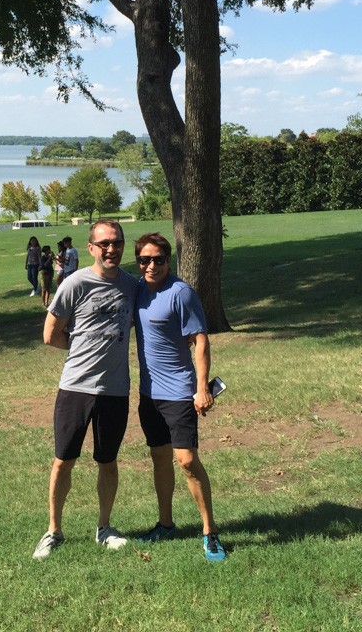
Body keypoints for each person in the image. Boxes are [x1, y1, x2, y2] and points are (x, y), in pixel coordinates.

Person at [33, 219, 138, 561]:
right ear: (91, 247)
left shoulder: (132, 286)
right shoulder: (74, 284)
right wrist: (83, 348)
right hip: (75, 387)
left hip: (115, 390)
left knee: (108, 462)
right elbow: (51, 335)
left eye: (117, 242)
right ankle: (53, 531)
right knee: (64, 461)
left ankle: (104, 528)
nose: (111, 248)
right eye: (104, 243)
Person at [132, 232, 226, 562]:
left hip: (179, 394)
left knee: (186, 461)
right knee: (160, 458)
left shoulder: (181, 293)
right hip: (148, 394)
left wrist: (201, 388)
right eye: (145, 260)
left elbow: (200, 340)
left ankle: (209, 532)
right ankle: (166, 523)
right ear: (138, 262)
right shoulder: (137, 290)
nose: (152, 265)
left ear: (168, 261)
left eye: (158, 259)